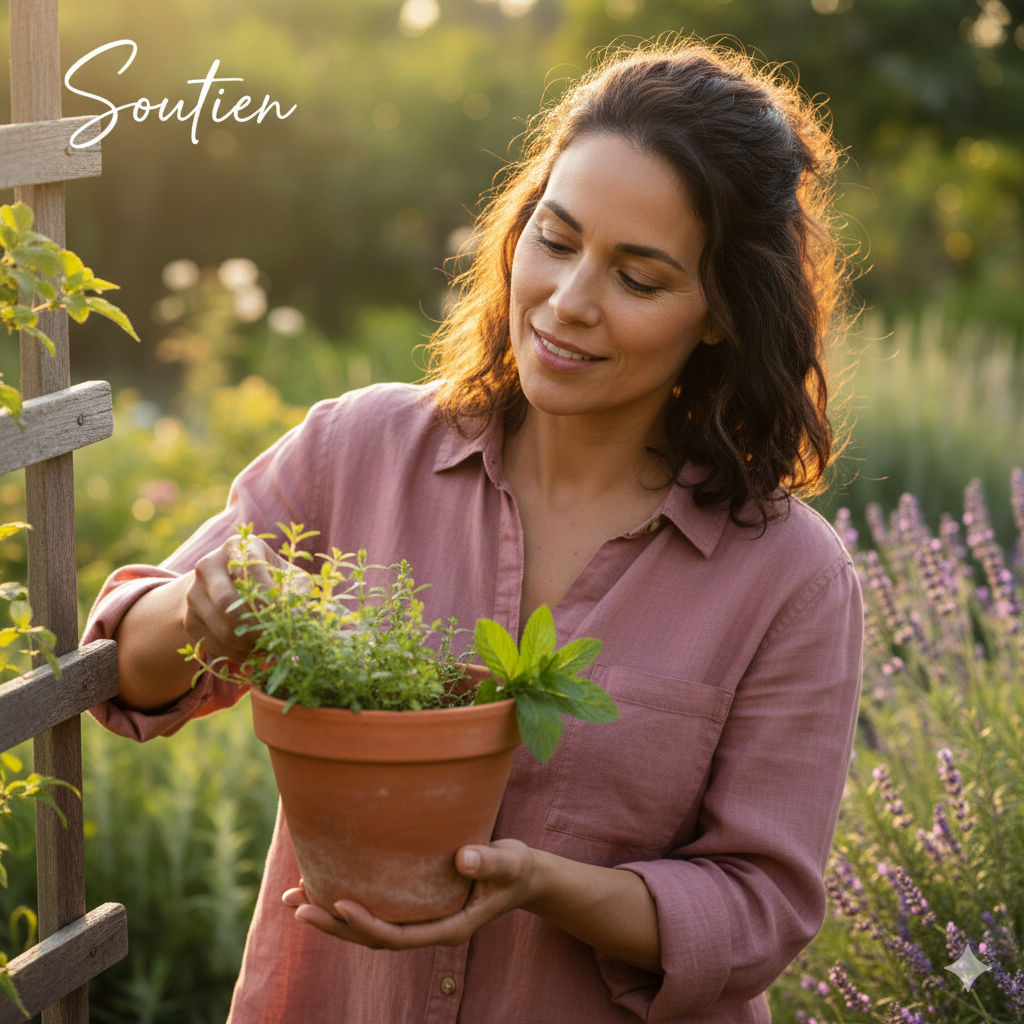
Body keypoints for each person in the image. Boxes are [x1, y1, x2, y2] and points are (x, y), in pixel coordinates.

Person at [84, 37, 863, 1024]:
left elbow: (761, 907)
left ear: (719, 314)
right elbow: (128, 668)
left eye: (639, 277)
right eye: (556, 236)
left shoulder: (788, 577)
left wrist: (542, 885)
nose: (569, 302)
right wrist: (202, 610)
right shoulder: (360, 449)